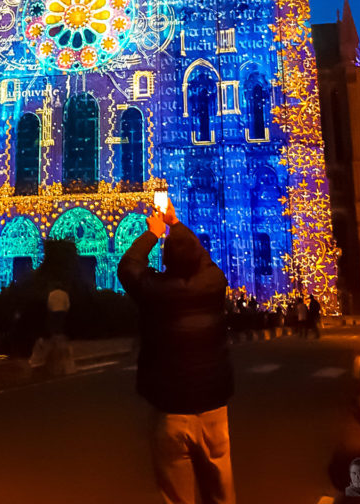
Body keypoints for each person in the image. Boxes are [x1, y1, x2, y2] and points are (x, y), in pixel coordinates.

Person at [118, 199, 236, 504]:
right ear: (199, 259)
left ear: (165, 261)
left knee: (177, 497)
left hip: (171, 411)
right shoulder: (214, 283)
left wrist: (153, 233)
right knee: (222, 493)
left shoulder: (155, 291)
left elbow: (128, 266)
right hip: (213, 409)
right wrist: (175, 224)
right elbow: (204, 259)